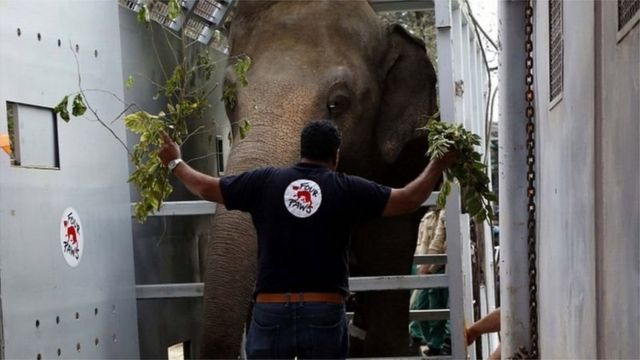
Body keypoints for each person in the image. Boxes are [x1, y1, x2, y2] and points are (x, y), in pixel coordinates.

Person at [158, 120, 456, 359]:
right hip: (323, 311)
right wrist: (438, 165)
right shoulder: (346, 188)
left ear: (301, 151)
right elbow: (407, 199)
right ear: (336, 156)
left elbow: (207, 187)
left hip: (270, 311)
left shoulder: (265, 181)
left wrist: (175, 163)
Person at [409, 208, 450, 356]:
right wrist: (424, 265)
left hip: (438, 266)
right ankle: (430, 341)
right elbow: (427, 243)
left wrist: (428, 266)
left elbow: (439, 243)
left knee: (436, 305)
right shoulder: (428, 217)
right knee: (420, 306)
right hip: (428, 266)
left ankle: (437, 344)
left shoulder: (446, 212)